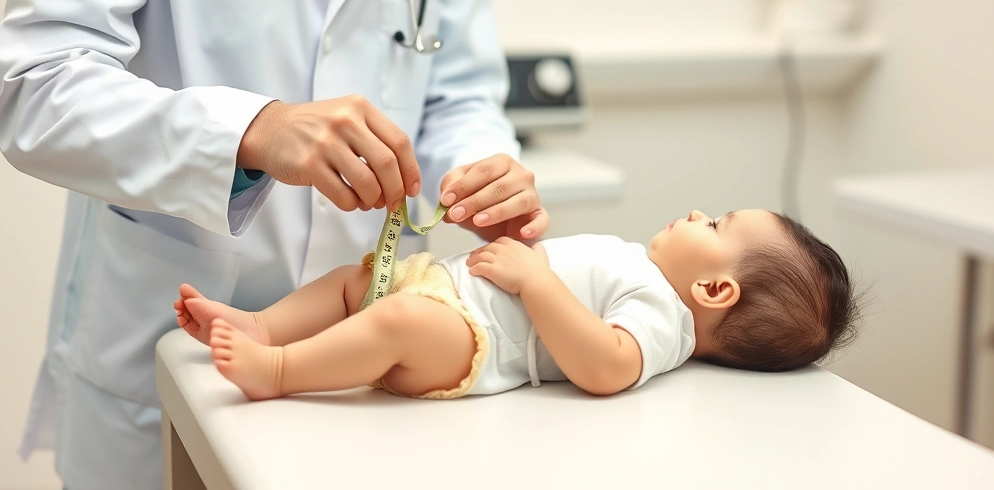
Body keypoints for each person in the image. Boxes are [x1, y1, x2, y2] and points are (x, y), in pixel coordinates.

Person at [0, 0, 546, 488]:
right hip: (168, 330)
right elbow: (37, 85)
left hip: (372, 364)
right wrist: (249, 132)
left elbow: (456, 95)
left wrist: (481, 170)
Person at [174, 209, 861, 401]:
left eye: (716, 227)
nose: (697, 213)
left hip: (470, 343)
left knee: (394, 320)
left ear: (714, 291)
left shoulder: (666, 322)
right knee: (356, 283)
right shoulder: (643, 270)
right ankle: (259, 323)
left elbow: (608, 367)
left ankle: (281, 370)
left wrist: (535, 281)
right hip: (446, 289)